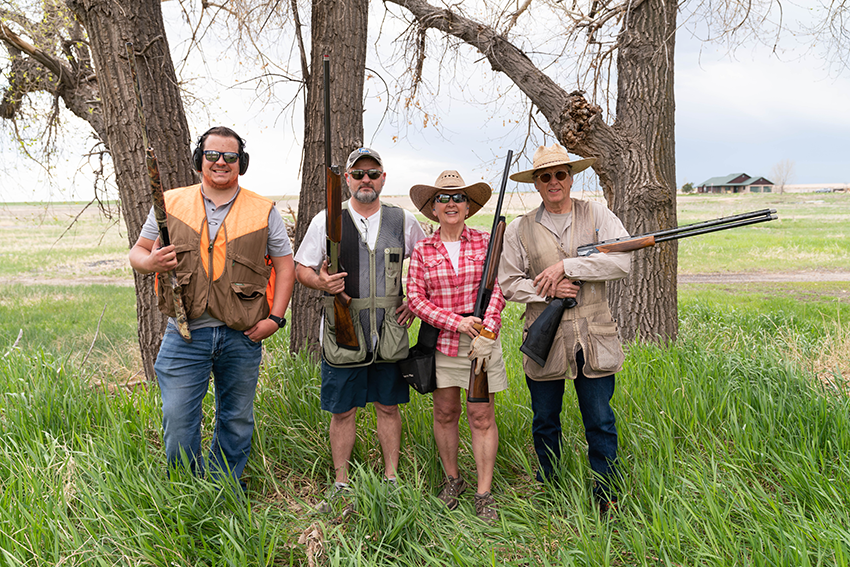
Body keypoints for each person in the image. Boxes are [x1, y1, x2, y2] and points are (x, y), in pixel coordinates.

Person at [129, 126, 296, 490]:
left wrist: (276, 320)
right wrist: (151, 262)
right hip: (185, 333)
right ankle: (188, 490)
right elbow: (137, 253)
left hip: (242, 335)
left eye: (230, 157)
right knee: (177, 418)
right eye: (213, 155)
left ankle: (224, 488)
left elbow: (286, 266)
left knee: (236, 419)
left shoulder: (263, 210)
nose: (221, 162)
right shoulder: (170, 203)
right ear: (199, 159)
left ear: (242, 163)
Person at [498, 143, 631, 516]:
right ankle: (549, 488)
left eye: (560, 174)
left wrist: (569, 267)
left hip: (594, 336)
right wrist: (547, 289)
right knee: (544, 421)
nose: (554, 181)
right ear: (537, 184)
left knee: (600, 420)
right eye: (545, 176)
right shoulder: (521, 227)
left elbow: (622, 262)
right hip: (546, 336)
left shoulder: (598, 214)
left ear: (571, 178)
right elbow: (509, 283)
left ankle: (607, 494)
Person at [294, 148, 427, 508]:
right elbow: (301, 268)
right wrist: (321, 283)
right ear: (347, 180)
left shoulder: (403, 220)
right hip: (343, 331)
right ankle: (341, 483)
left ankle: (392, 479)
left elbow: (428, 262)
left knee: (388, 406)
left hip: (389, 331)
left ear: (383, 178)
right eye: (358, 174)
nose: (365, 180)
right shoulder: (327, 220)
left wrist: (415, 301)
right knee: (343, 411)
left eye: (373, 173)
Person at [407, 170, 508, 523]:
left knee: (481, 417)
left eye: (458, 198)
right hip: (444, 343)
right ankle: (453, 480)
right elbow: (416, 300)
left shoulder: (485, 241)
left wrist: (488, 330)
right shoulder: (423, 249)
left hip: (482, 343)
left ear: (468, 206)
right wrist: (457, 322)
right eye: (443, 198)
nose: (451, 204)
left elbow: (499, 288)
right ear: (433, 208)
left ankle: (484, 492)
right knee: (445, 413)